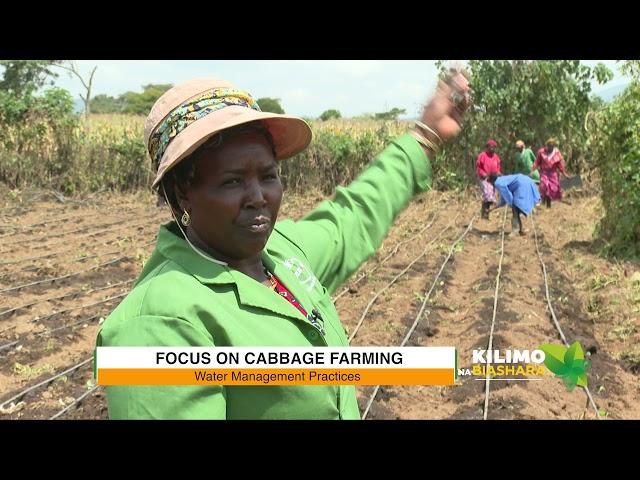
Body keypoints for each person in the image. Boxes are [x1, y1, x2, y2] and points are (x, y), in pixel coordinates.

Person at [95, 72, 471, 419]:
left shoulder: (282, 254)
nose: (258, 196)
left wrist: (426, 135)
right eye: (232, 181)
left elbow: (353, 215)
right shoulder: (159, 323)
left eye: (268, 175)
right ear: (182, 195)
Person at [532, 137, 568, 208]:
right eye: (549, 146)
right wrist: (533, 169)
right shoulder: (541, 152)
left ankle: (548, 205)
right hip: (544, 172)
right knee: (544, 185)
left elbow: (560, 165)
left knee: (553, 189)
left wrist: (564, 173)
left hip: (553, 173)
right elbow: (537, 162)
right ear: (546, 145)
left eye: (552, 147)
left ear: (554, 146)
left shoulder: (556, 152)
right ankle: (542, 201)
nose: (550, 148)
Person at [476, 139, 501, 219]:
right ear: (487, 147)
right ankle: (485, 213)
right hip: (485, 178)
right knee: (488, 194)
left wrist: (498, 173)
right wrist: (484, 174)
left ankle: (485, 214)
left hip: (493, 178)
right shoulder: (482, 155)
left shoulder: (496, 157)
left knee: (492, 195)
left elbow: (498, 167)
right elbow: (479, 167)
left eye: (494, 147)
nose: (492, 149)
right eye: (490, 147)